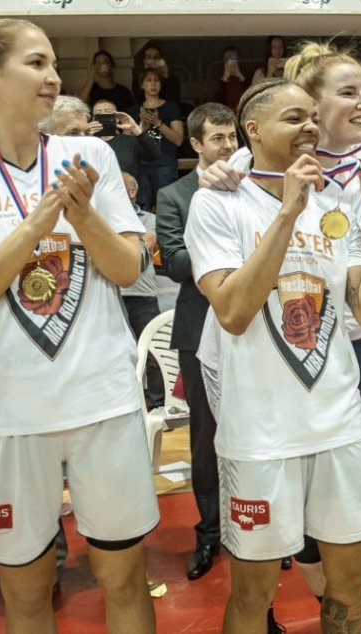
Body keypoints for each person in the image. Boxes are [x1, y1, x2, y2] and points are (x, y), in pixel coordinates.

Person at [0, 18, 160, 632]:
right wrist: (39, 220)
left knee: (124, 579)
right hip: (8, 415)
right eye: (36, 63)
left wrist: (83, 217)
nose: (53, 77)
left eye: (55, 64)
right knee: (26, 595)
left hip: (101, 402)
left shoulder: (92, 155)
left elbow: (128, 268)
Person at [185, 78, 361, 633]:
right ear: (252, 130)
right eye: (292, 117)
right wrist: (285, 213)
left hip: (338, 425)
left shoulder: (336, 203)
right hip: (260, 434)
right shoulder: (215, 203)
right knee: (252, 598)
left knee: (348, 592)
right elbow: (232, 311)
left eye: (311, 117)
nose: (308, 126)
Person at [156, 102, 237, 582]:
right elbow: (174, 262)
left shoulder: (253, 189)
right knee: (205, 436)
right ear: (196, 145)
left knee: (253, 427)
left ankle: (263, 525)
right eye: (218, 139)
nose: (228, 146)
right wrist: (225, 248)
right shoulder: (175, 194)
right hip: (199, 322)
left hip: (250, 323)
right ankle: (209, 531)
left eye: (232, 138)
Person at [120, 172, 164, 410]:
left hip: (143, 295)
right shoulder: (105, 220)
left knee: (153, 352)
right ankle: (130, 402)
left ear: (132, 192)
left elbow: (144, 246)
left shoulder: (149, 219)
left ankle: (157, 403)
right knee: (119, 354)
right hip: (113, 295)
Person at [128, 68, 184, 210]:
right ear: (142, 85)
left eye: (156, 80)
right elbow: (128, 143)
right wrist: (143, 128)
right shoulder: (134, 111)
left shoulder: (171, 107)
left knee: (165, 208)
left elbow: (178, 139)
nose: (153, 84)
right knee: (142, 209)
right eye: (149, 80)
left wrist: (158, 123)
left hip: (165, 165)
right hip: (140, 166)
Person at [91, 99, 161, 179]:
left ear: (117, 118)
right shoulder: (88, 144)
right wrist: (85, 136)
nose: (103, 116)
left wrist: (136, 129)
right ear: (93, 119)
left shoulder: (130, 141)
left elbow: (155, 154)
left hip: (127, 189)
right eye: (98, 113)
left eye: (107, 112)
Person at [214, 46, 249, 110]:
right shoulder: (218, 74)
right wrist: (224, 79)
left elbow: (250, 93)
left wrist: (241, 76)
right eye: (227, 59)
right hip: (225, 112)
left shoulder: (247, 74)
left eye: (233, 58)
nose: (231, 62)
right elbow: (217, 101)